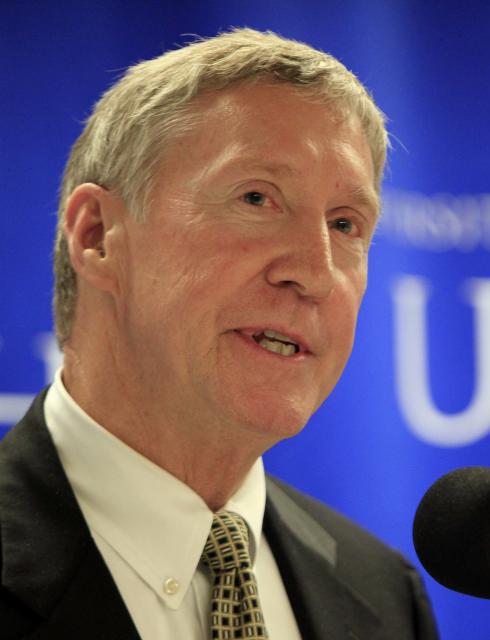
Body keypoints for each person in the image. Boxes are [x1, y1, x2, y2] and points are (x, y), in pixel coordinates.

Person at [0, 28, 438, 640]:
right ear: (98, 235)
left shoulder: (382, 596)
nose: (314, 272)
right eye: (257, 197)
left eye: (345, 224)